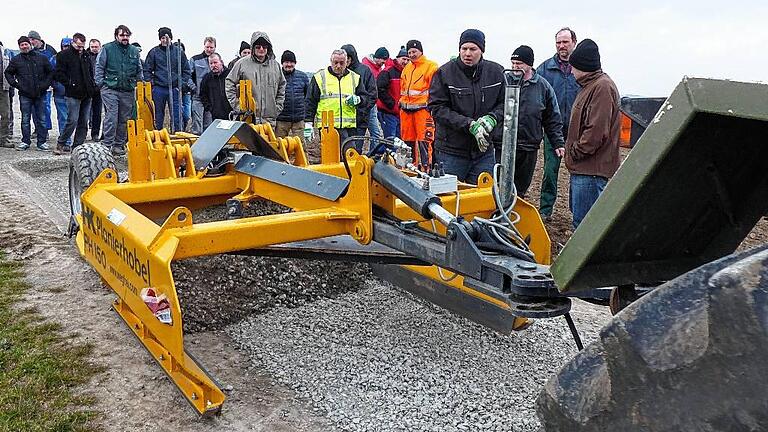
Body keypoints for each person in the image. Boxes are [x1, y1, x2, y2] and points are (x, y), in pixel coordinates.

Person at [428, 29, 504, 183]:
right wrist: (469, 125)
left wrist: (493, 118)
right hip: (451, 152)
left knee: (483, 199)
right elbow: (437, 108)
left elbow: (507, 103)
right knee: (449, 199)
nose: (467, 53)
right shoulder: (444, 73)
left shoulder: (496, 73)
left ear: (482, 50)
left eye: (473, 49)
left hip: (484, 152)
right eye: (464, 49)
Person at [564, 39, 621, 229]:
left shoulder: (602, 88)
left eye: (574, 67)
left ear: (583, 67)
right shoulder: (590, 86)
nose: (571, 71)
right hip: (584, 169)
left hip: (591, 170)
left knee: (586, 226)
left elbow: (596, 132)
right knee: (582, 222)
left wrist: (575, 151)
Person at [503, 45, 564, 199]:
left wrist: (557, 142)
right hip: (503, 144)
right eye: (513, 63)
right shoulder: (504, 82)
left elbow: (552, 117)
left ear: (529, 65)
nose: (515, 67)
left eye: (519, 64)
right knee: (501, 184)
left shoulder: (542, 87)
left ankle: (515, 213)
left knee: (521, 187)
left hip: (528, 145)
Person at [536, 27, 581, 220]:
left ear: (574, 42)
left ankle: (576, 212)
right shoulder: (545, 69)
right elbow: (535, 95)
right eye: (558, 43)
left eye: (565, 42)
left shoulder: (582, 68)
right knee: (550, 171)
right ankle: (546, 210)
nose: (562, 46)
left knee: (578, 172)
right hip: (552, 130)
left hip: (577, 129)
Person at [304, 49, 368, 152]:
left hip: (349, 128)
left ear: (347, 62)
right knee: (330, 158)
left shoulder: (355, 78)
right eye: (336, 63)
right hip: (327, 128)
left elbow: (365, 98)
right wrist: (308, 122)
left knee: (349, 157)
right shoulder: (320, 78)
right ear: (331, 61)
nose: (338, 66)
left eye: (342, 63)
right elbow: (310, 102)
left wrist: (358, 99)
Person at [95, 24, 143, 156]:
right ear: (116, 36)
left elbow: (139, 70)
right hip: (110, 88)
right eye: (122, 35)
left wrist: (139, 85)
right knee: (112, 116)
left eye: (127, 35)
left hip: (127, 89)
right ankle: (106, 144)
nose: (125, 37)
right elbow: (99, 67)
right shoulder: (107, 48)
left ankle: (118, 145)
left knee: (124, 119)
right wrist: (101, 84)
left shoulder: (134, 51)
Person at [225, 31, 286, 127]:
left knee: (268, 142)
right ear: (253, 48)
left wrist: (277, 107)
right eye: (258, 47)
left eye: (264, 46)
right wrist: (238, 106)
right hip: (247, 120)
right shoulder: (242, 64)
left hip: (269, 122)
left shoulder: (276, 66)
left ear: (268, 48)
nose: (261, 49)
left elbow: (282, 86)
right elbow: (229, 82)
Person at [4, 36, 53, 151]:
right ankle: (25, 141)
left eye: (26, 44)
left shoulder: (42, 58)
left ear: (30, 44)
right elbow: (8, 73)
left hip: (40, 93)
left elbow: (50, 72)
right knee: (25, 119)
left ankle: (42, 142)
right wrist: (16, 84)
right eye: (22, 45)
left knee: (41, 118)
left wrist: (45, 85)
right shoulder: (16, 60)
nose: (24, 46)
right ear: (19, 47)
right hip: (24, 94)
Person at [54, 32, 97, 154]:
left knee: (83, 121)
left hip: (87, 93)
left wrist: (92, 86)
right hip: (72, 93)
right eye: (78, 46)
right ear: (73, 43)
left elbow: (90, 72)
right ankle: (61, 143)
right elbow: (59, 74)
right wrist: (70, 84)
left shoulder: (85, 55)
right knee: (72, 120)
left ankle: (78, 146)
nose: (80, 48)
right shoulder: (63, 55)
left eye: (82, 46)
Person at [144, 27, 192, 132]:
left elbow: (186, 70)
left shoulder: (179, 53)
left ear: (171, 38)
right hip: (159, 89)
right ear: (160, 39)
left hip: (175, 88)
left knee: (177, 115)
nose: (165, 40)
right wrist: (152, 84)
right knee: (158, 115)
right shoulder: (154, 52)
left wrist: (181, 84)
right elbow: (147, 70)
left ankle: (177, 134)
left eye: (167, 37)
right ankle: (158, 136)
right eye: (162, 38)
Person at [400, 39, 438, 171]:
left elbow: (436, 90)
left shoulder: (431, 67)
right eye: (409, 52)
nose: (411, 54)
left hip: (423, 110)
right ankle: (410, 168)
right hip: (406, 111)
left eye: (414, 51)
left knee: (425, 141)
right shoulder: (406, 68)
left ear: (421, 51)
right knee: (407, 142)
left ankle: (426, 169)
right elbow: (403, 88)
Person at [340, 44, 377, 149]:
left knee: (356, 151)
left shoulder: (365, 71)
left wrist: (362, 109)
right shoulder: (339, 72)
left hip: (360, 120)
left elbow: (372, 95)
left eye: (345, 59)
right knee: (343, 151)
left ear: (351, 58)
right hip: (343, 122)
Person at [275, 50, 309, 138]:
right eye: (286, 62)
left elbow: (307, 96)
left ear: (295, 63)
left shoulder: (303, 77)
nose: (289, 64)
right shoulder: (276, 76)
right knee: (279, 146)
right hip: (281, 119)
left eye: (291, 62)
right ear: (282, 63)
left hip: (299, 119)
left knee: (300, 146)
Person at [376, 46, 408, 139]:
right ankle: (381, 153)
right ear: (397, 58)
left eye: (408, 60)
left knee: (398, 139)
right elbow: (380, 89)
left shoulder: (407, 73)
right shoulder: (388, 71)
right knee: (390, 140)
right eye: (404, 59)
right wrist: (392, 104)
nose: (405, 62)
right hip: (388, 112)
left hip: (400, 113)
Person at [28, 31, 56, 133]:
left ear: (38, 39)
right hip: (33, 85)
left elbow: (54, 67)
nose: (31, 42)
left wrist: (51, 82)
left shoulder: (50, 50)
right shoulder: (30, 51)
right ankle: (37, 129)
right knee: (34, 109)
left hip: (46, 84)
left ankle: (45, 130)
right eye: (29, 40)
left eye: (33, 39)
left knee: (45, 107)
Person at [362, 47, 388, 144]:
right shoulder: (366, 67)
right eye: (383, 59)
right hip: (366, 104)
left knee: (375, 133)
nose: (384, 62)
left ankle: (373, 156)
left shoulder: (378, 69)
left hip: (373, 104)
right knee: (374, 133)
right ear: (377, 57)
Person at [189, 37, 215, 134]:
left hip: (210, 99)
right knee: (197, 125)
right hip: (197, 98)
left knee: (209, 126)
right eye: (207, 47)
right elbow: (187, 76)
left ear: (215, 48)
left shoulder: (216, 61)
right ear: (204, 46)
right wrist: (194, 88)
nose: (209, 49)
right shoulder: (195, 59)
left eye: (211, 47)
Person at [51, 37, 72, 149]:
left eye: (68, 46)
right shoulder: (54, 59)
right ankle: (66, 142)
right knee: (63, 117)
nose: (66, 48)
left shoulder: (77, 58)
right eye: (65, 46)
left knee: (74, 118)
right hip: (60, 93)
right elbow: (49, 73)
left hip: (74, 93)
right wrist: (54, 85)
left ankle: (75, 141)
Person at [199, 53, 231, 121]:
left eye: (215, 62)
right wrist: (210, 108)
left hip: (231, 113)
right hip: (216, 115)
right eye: (211, 63)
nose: (213, 65)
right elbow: (202, 94)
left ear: (221, 62)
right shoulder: (207, 78)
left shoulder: (230, 75)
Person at [86, 38, 102, 141]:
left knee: (97, 113)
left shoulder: (103, 57)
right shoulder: (85, 56)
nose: (94, 49)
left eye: (96, 47)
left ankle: (95, 133)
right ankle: (82, 133)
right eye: (92, 47)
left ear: (100, 47)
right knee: (84, 113)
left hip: (99, 89)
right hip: (87, 88)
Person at [0, 41, 13, 148]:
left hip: (3, 88)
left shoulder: (6, 51)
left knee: (6, 115)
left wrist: (11, 86)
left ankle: (3, 139)